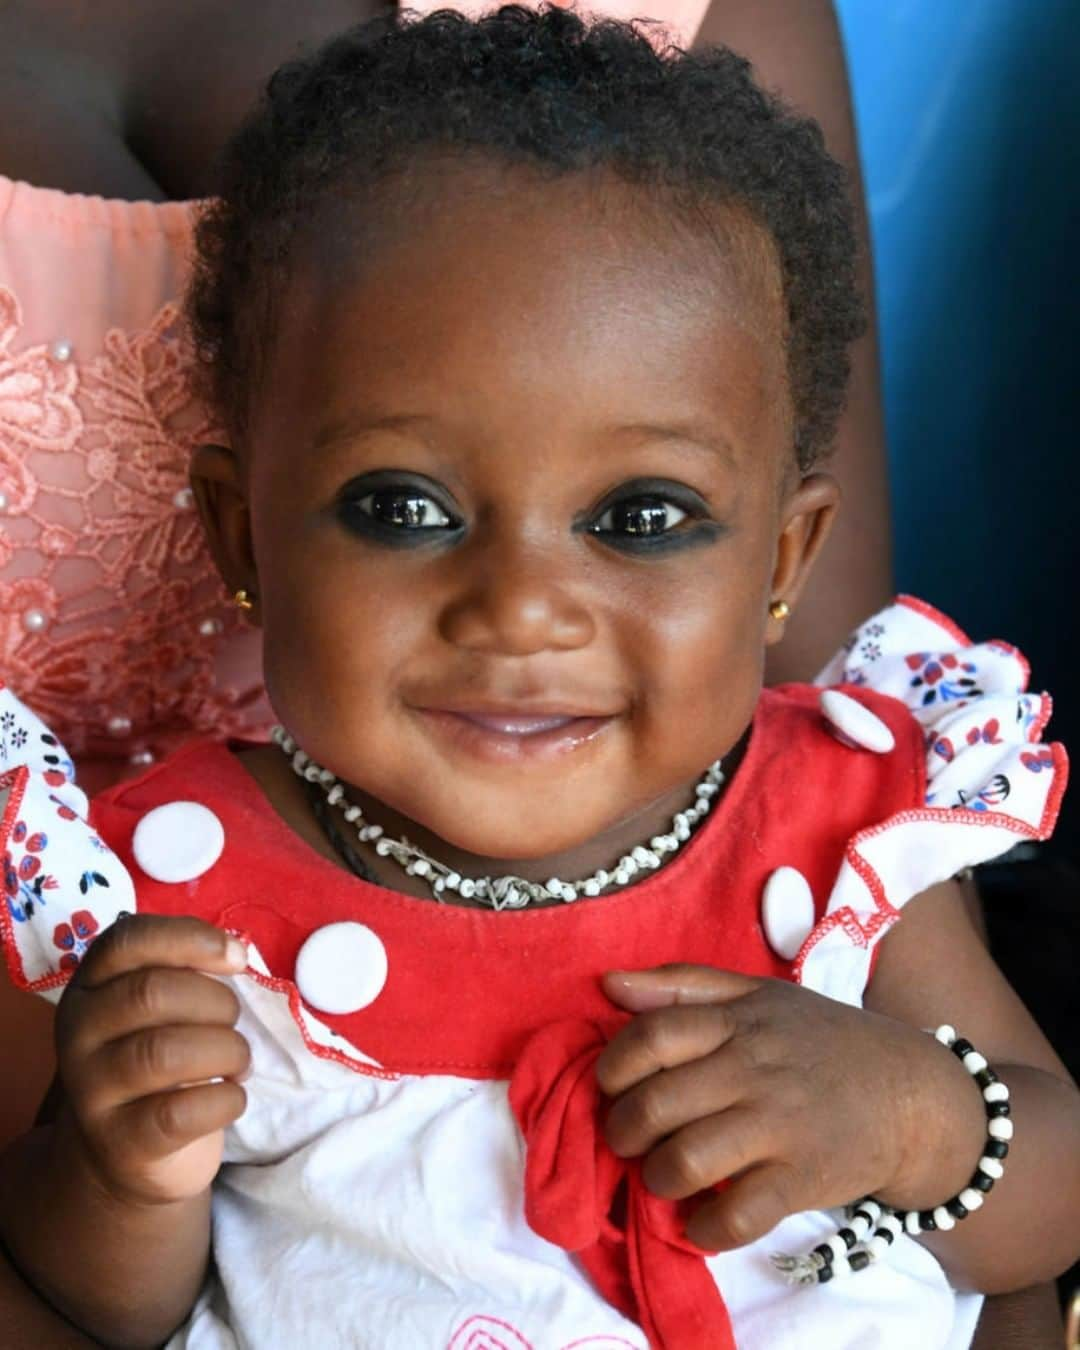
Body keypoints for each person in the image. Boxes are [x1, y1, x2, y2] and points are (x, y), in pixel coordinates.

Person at [0, 11, 1075, 1348]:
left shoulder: (838, 835)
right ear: (243, 540)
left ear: (786, 557)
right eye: (401, 506)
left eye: (639, 518)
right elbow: (84, 1298)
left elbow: (1057, 1196)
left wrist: (914, 1116)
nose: (519, 609)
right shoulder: (179, 887)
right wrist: (121, 1173)